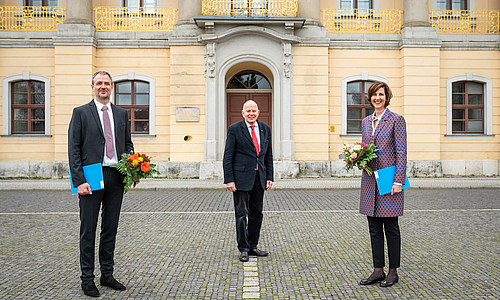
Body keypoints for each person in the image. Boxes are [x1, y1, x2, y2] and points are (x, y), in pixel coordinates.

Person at [68, 71, 134, 297]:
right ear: (92, 87)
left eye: (106, 83)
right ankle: (87, 278)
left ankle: (107, 274)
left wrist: (132, 168)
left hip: (116, 175)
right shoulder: (80, 113)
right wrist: (79, 181)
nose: (103, 87)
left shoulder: (121, 114)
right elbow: (73, 149)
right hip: (91, 176)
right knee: (89, 229)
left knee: (110, 228)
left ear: (112, 87)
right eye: (99, 83)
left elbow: (128, 144)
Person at [358, 81, 407, 287]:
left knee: (391, 228)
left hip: (389, 180)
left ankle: (393, 271)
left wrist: (398, 180)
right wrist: (359, 159)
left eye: (381, 94)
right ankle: (378, 269)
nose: (377, 98)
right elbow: (366, 147)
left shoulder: (396, 120)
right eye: (374, 95)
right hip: (370, 181)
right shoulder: (366, 121)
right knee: (374, 228)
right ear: (370, 98)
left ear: (387, 97)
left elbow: (401, 152)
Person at [223, 100, 274, 262]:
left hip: (259, 178)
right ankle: (243, 248)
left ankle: (253, 246)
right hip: (240, 179)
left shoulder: (265, 129)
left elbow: (268, 156)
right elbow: (228, 156)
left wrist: (269, 176)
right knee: (241, 214)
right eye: (248, 111)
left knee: (257, 214)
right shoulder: (235, 129)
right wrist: (229, 179)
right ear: (243, 113)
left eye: (254, 111)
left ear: (258, 112)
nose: (251, 113)